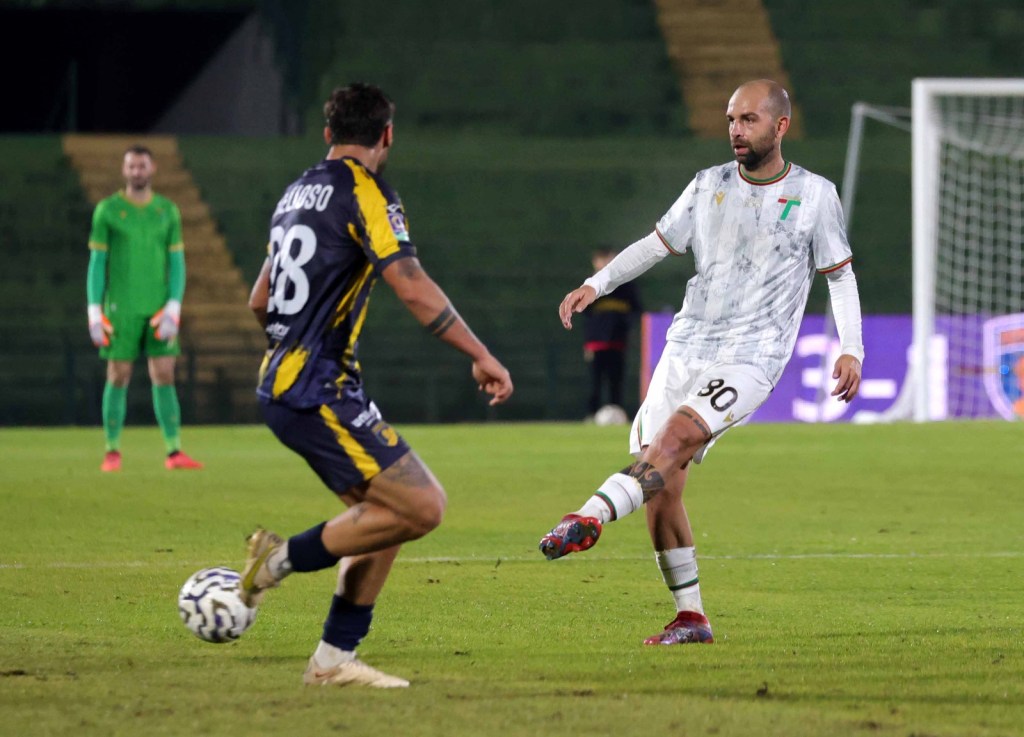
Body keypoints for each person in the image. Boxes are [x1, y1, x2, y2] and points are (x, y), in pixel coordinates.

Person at [539, 79, 864, 645]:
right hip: (687, 345)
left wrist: (851, 347)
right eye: (732, 119)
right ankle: (691, 617)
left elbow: (840, 276)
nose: (736, 129)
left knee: (672, 443)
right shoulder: (706, 185)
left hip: (752, 356)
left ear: (780, 126)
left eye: (750, 120)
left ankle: (586, 515)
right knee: (660, 483)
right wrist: (597, 283)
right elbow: (656, 243)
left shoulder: (815, 196)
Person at [242, 83, 513, 688]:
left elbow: (260, 299)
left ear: (328, 134)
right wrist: (481, 354)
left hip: (290, 379)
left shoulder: (294, 194)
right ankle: (276, 562)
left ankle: (333, 661)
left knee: (386, 517)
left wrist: (292, 343)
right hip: (316, 387)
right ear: (386, 134)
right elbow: (411, 285)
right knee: (423, 506)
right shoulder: (366, 194)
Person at [85, 145, 203, 472]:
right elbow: (98, 263)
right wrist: (94, 310)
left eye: (142, 166)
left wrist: (174, 307)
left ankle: (174, 451)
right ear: (124, 171)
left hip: (157, 308)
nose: (137, 172)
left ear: (152, 170)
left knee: (165, 372)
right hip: (120, 307)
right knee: (118, 374)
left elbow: (177, 263)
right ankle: (112, 451)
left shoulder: (167, 211)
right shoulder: (108, 211)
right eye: (132, 167)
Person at [582, 247, 642, 420]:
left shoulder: (626, 286)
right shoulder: (590, 286)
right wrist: (587, 343)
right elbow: (584, 316)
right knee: (595, 381)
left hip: (618, 342)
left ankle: (618, 415)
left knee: (616, 381)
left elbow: (636, 311)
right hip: (596, 343)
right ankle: (591, 415)